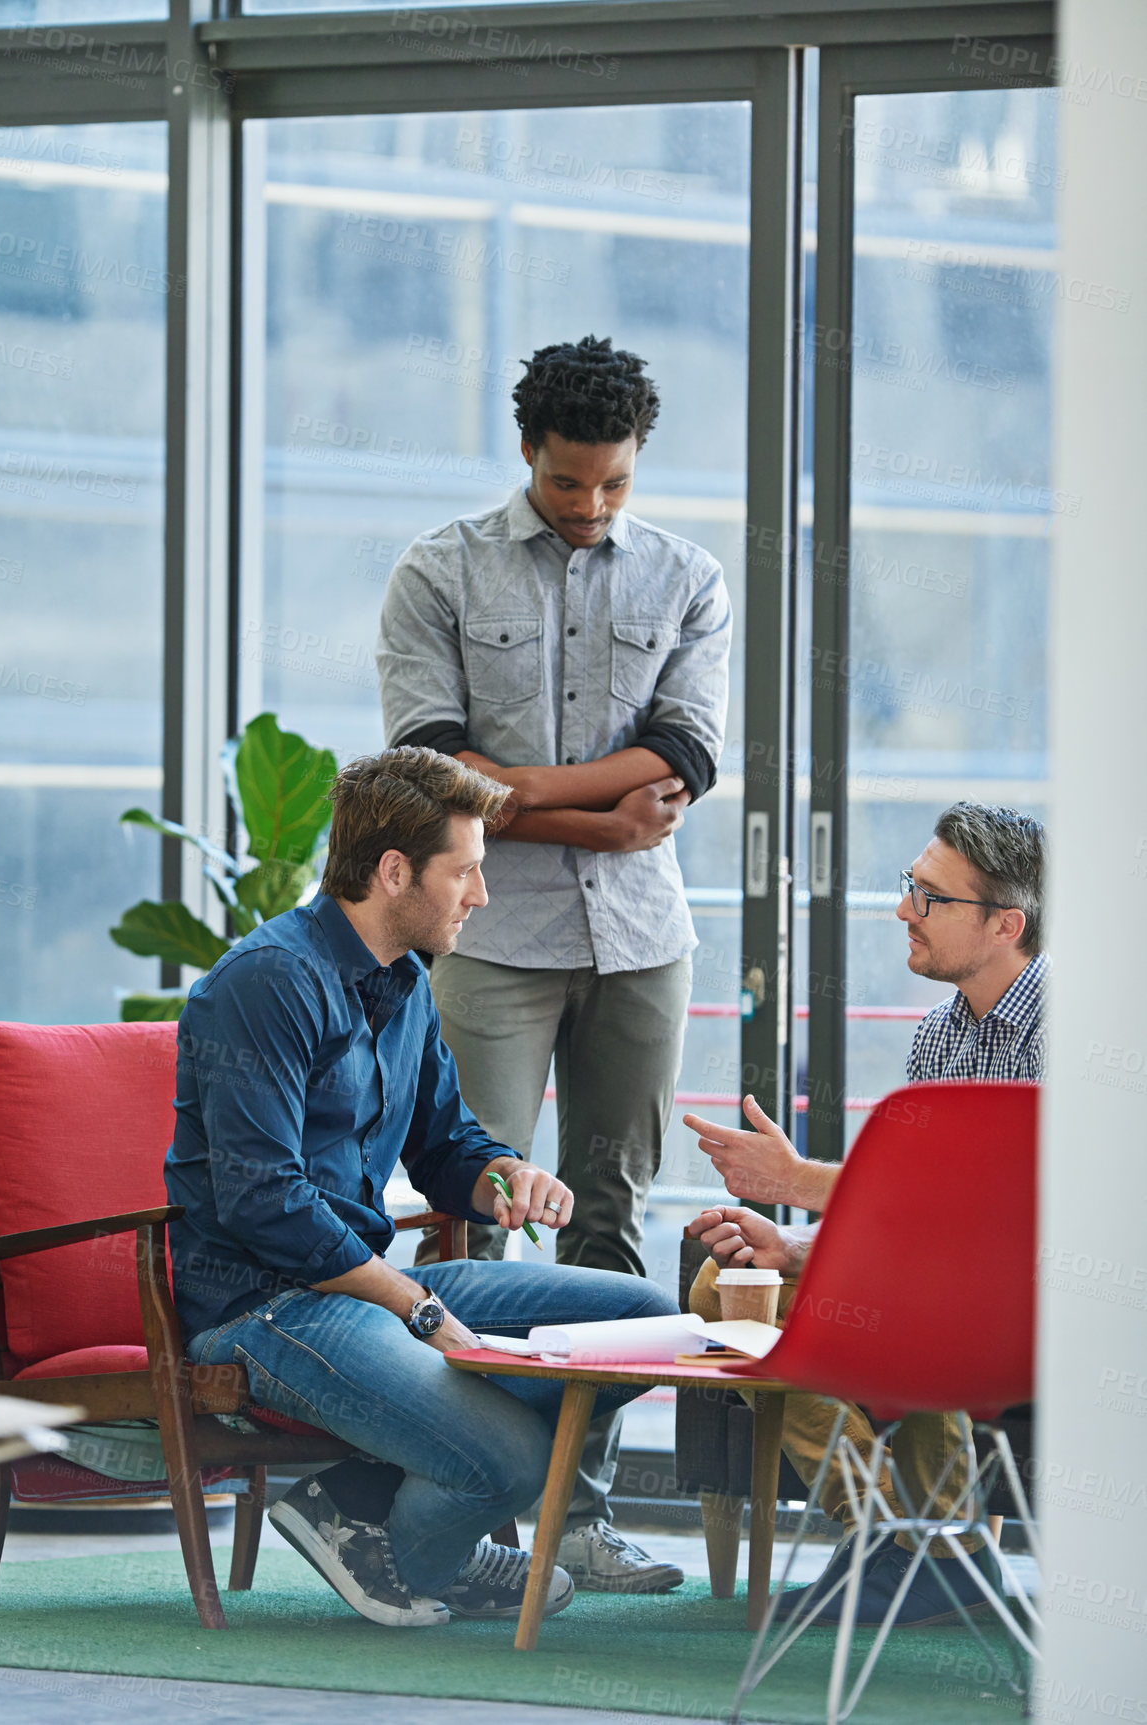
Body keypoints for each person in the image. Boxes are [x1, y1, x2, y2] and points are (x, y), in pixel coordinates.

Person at [165, 747, 679, 1629]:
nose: (481, 895)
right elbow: (263, 1201)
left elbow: (447, 1145)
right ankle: (425, 1544)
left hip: (365, 1289)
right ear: (393, 871)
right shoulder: (266, 982)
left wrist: (505, 1174)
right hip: (267, 1306)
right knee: (514, 1459)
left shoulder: (403, 981)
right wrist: (415, 1308)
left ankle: (350, 1503)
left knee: (645, 1324)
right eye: (467, 871)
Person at [376, 334, 730, 1591]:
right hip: (493, 935)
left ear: (637, 464)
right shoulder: (439, 572)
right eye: (571, 481)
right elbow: (434, 776)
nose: (591, 507)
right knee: (472, 1209)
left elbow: (684, 762)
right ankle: (461, 1508)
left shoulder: (690, 577)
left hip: (642, 941)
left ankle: (581, 1512)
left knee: (614, 1214)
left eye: (615, 484)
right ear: (530, 451)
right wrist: (600, 812)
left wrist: (519, 792)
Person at [683, 801, 1047, 1626]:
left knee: (923, 1293)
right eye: (908, 887)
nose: (902, 911)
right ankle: (898, 1537)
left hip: (1032, 1289)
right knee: (723, 1284)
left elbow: (1006, 1208)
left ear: (1005, 925)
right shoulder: (937, 1039)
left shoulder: (1066, 1027)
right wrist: (796, 1243)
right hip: (942, 1271)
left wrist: (799, 1178)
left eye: (931, 897)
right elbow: (915, 1214)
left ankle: (929, 1548)